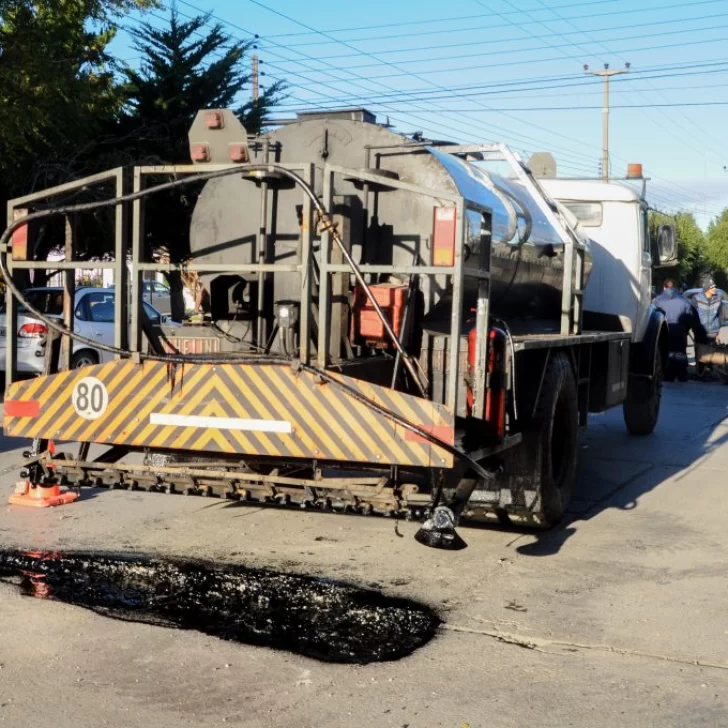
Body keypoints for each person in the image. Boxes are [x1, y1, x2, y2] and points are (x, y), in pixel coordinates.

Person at [654, 278, 697, 381]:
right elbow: (691, 318)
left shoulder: (657, 301)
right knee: (680, 353)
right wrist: (685, 329)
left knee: (667, 352)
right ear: (676, 288)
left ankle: (668, 375)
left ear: (664, 287)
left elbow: (653, 317)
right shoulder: (684, 301)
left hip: (664, 333)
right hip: (680, 332)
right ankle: (681, 375)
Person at [693, 276, 728, 343]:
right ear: (707, 288)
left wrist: (718, 330)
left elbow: (720, 315)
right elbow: (693, 315)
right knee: (700, 352)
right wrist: (695, 328)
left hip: (713, 333)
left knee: (712, 352)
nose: (714, 288)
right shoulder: (696, 299)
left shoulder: (718, 299)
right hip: (700, 332)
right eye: (712, 287)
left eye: (715, 286)